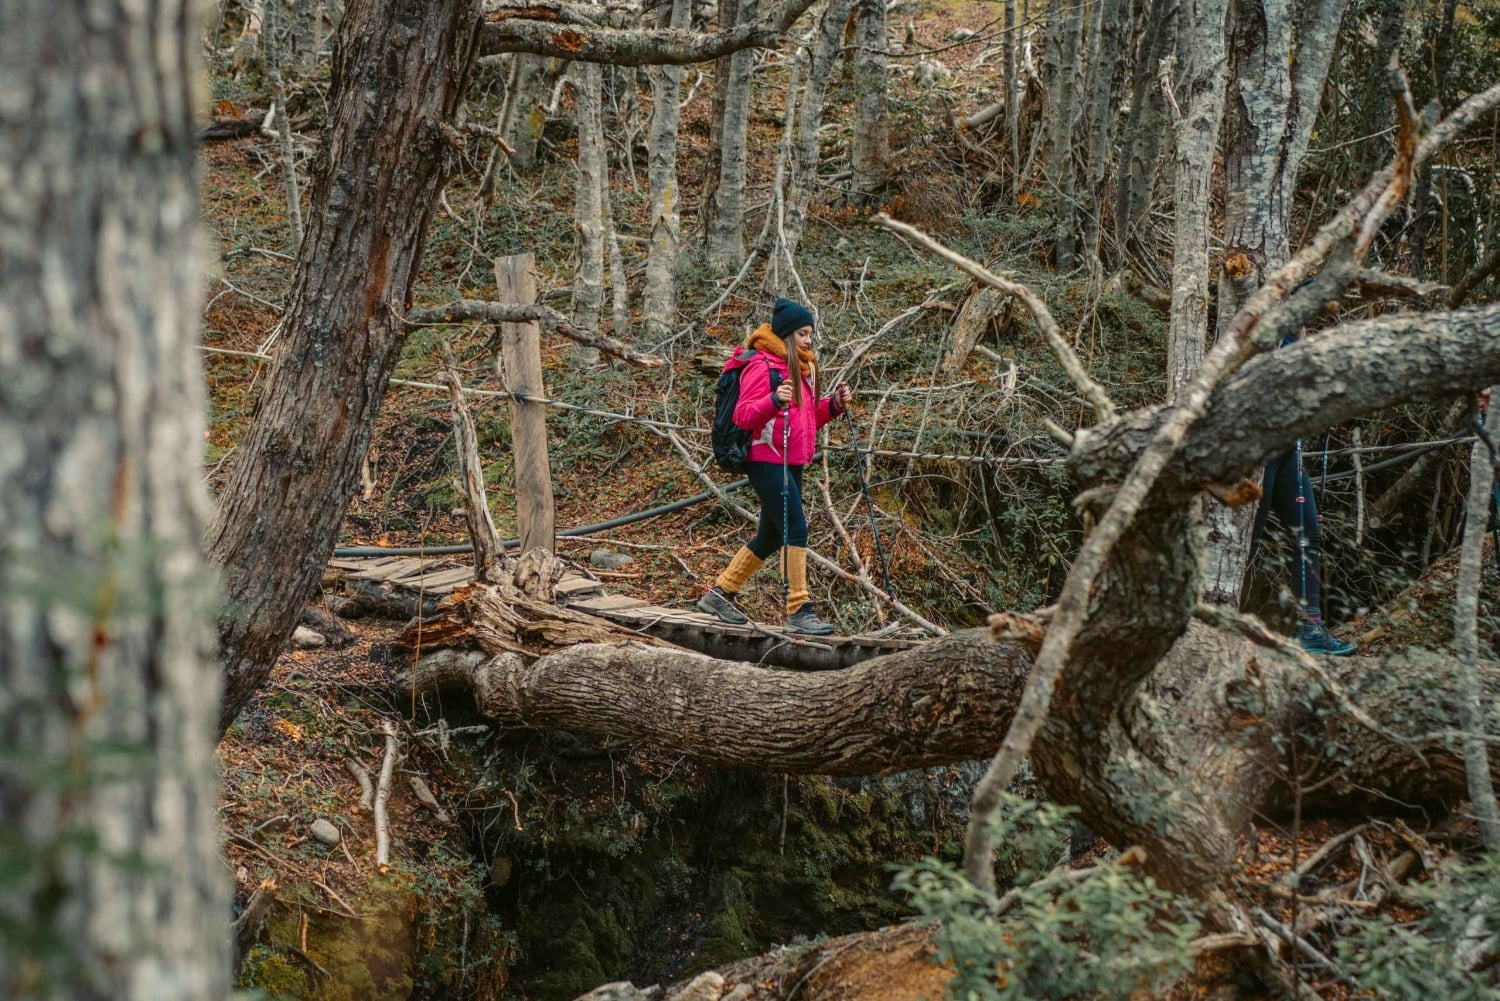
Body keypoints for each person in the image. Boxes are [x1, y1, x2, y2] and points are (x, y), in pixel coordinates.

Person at [698, 298, 853, 635]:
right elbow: (743, 414)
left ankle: (719, 594)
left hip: (792, 459)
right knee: (796, 528)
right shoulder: (763, 366)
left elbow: (809, 418)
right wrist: (773, 400)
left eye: (811, 334)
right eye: (802, 334)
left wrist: (834, 406)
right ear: (786, 334)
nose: (809, 340)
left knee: (770, 536)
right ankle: (799, 610)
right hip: (765, 458)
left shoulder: (802, 366)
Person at [1248, 442, 1356, 656]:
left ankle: (1310, 629)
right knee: (1247, 535)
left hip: (1288, 449)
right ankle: (1207, 617)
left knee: (1308, 533)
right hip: (1257, 448)